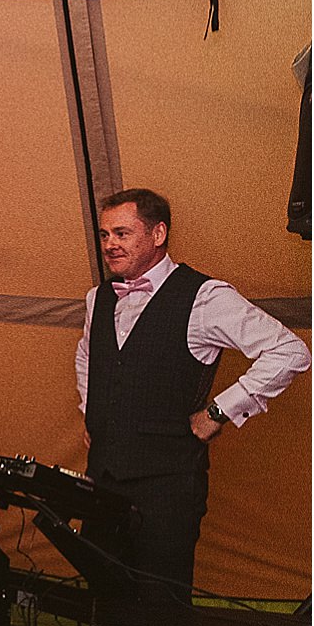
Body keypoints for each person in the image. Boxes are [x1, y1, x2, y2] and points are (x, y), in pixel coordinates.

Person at [77, 188, 310, 600]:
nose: (110, 244)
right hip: (103, 482)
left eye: (122, 233)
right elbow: (88, 358)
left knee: (159, 611)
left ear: (158, 233)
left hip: (166, 490)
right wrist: (91, 414)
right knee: (103, 602)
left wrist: (219, 411)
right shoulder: (99, 298)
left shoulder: (205, 297)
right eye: (104, 234)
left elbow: (289, 351)